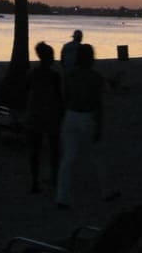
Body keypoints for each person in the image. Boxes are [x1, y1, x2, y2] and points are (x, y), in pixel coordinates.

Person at [55, 43, 118, 208]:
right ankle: (107, 191)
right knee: (98, 155)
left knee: (69, 157)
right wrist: (99, 124)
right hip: (87, 116)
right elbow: (97, 103)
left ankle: (62, 196)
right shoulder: (95, 77)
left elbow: (65, 97)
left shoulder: (70, 76)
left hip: (71, 115)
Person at [25, 41, 63, 194]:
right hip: (50, 115)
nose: (54, 58)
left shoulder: (33, 74)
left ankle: (35, 181)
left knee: (36, 150)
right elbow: (58, 97)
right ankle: (53, 178)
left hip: (35, 114)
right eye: (52, 55)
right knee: (53, 149)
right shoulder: (54, 76)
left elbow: (28, 92)